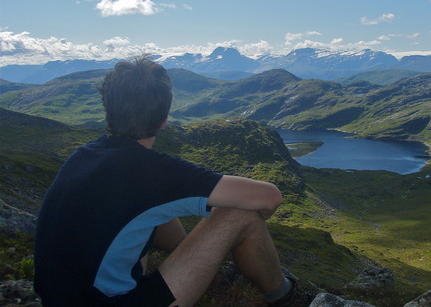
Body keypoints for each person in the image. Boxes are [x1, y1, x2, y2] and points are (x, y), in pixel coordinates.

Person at [34, 56, 308, 307]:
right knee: (240, 215)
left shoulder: (82, 156)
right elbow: (270, 197)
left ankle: (187, 257)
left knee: (156, 207)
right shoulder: (151, 171)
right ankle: (285, 297)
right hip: (111, 303)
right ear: (164, 120)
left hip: (58, 298)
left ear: (108, 108)